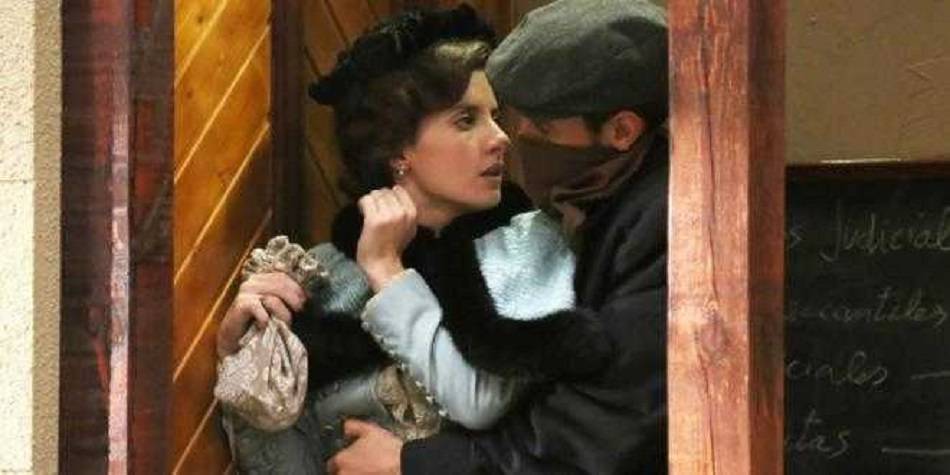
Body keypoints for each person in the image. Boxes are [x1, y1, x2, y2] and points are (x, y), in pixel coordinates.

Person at [215, 4, 614, 473]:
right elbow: (280, 464)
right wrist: (240, 356)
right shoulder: (323, 272)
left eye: (494, 116)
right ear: (397, 149)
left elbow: (478, 402)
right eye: (466, 120)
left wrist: (387, 271)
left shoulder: (530, 248)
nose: (500, 137)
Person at [329, 0, 671, 474]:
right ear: (397, 152)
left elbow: (598, 429)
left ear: (622, 131)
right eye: (467, 119)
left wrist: (415, 463)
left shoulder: (624, 230)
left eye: (543, 125)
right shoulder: (587, 204)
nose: (511, 137)